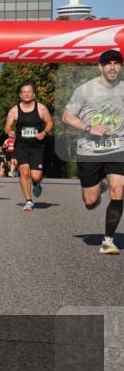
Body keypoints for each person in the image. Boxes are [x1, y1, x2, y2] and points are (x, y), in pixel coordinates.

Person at [62, 49, 124, 255]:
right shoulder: (85, 90)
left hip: (118, 148)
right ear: (100, 66)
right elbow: (67, 116)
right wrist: (89, 128)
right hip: (89, 151)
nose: (113, 67)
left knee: (118, 191)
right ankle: (101, 185)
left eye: (116, 63)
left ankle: (108, 241)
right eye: (108, 63)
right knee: (90, 202)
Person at [3, 81, 54, 211]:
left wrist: (44, 132)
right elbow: (7, 126)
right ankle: (28, 200)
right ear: (20, 95)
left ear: (34, 94)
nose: (26, 94)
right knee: (24, 172)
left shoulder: (41, 108)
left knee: (36, 176)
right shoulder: (14, 110)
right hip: (21, 145)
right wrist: (9, 132)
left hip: (37, 146)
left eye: (29, 92)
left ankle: (36, 183)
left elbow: (49, 123)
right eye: (24, 92)